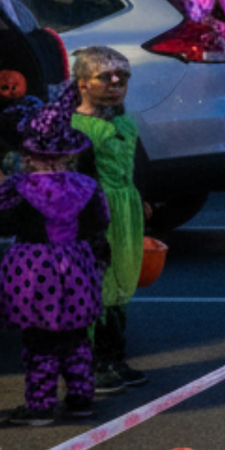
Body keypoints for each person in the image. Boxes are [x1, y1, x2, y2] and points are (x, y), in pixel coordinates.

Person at [0, 93, 110, 425]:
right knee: (76, 336)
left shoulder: (15, 189)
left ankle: (40, 405)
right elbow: (99, 223)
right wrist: (100, 258)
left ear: (28, 156)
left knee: (39, 338)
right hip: (77, 264)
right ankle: (81, 398)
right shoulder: (86, 186)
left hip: (33, 270)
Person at [67, 47, 148, 394]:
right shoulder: (78, 127)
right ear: (83, 83)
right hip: (95, 212)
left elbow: (137, 162)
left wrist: (141, 197)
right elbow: (78, 177)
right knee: (97, 287)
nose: (116, 83)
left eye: (122, 77)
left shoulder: (125, 123)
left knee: (122, 283)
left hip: (125, 211)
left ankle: (115, 355)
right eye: (105, 77)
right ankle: (93, 363)